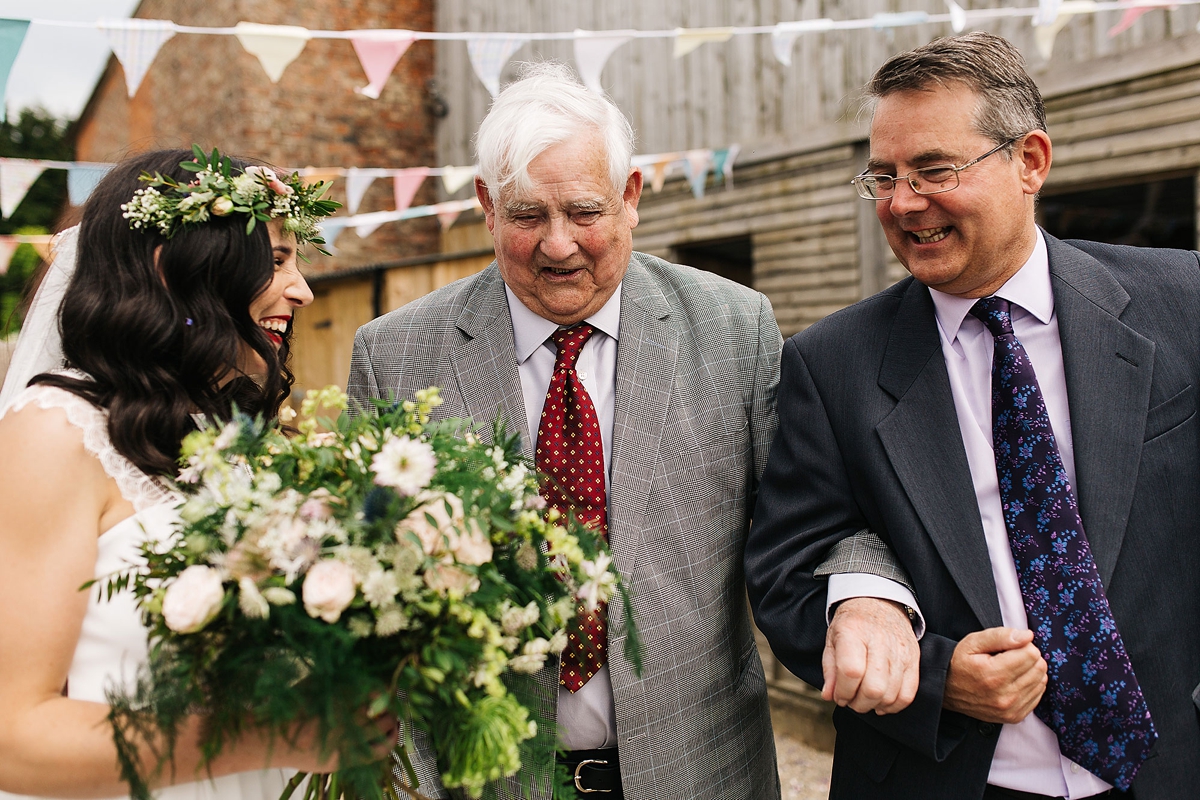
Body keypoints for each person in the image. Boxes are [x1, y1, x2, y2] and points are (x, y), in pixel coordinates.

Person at [746, 31, 1200, 799]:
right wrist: (933, 677)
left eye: (933, 170)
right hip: (946, 777)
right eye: (883, 176)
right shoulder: (832, 364)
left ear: (1030, 161)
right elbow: (788, 573)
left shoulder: (1181, 303)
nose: (902, 203)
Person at [348, 62, 782, 799]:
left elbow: (806, 523)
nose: (557, 245)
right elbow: (365, 588)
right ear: (487, 206)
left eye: (584, 212)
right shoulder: (394, 355)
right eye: (526, 216)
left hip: (701, 773)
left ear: (631, 198)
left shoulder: (735, 330)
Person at [0, 148, 365, 798]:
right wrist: (271, 736)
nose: (304, 289)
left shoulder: (245, 436)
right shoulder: (56, 432)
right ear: (178, 270)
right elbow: (13, 735)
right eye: (277, 261)